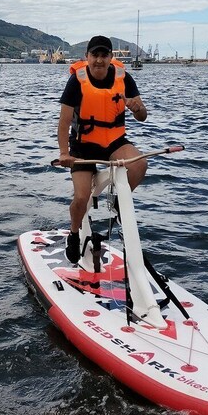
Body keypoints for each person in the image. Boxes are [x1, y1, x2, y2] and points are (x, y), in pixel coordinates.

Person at [57, 35, 148, 263]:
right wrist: (64, 153)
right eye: (94, 55)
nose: (99, 60)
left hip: (114, 142)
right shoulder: (76, 81)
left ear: (111, 57)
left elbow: (142, 115)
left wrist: (138, 109)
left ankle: (118, 204)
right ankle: (74, 232)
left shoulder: (123, 78)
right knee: (81, 197)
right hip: (83, 146)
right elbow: (64, 122)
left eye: (104, 55)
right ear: (87, 57)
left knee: (140, 165)